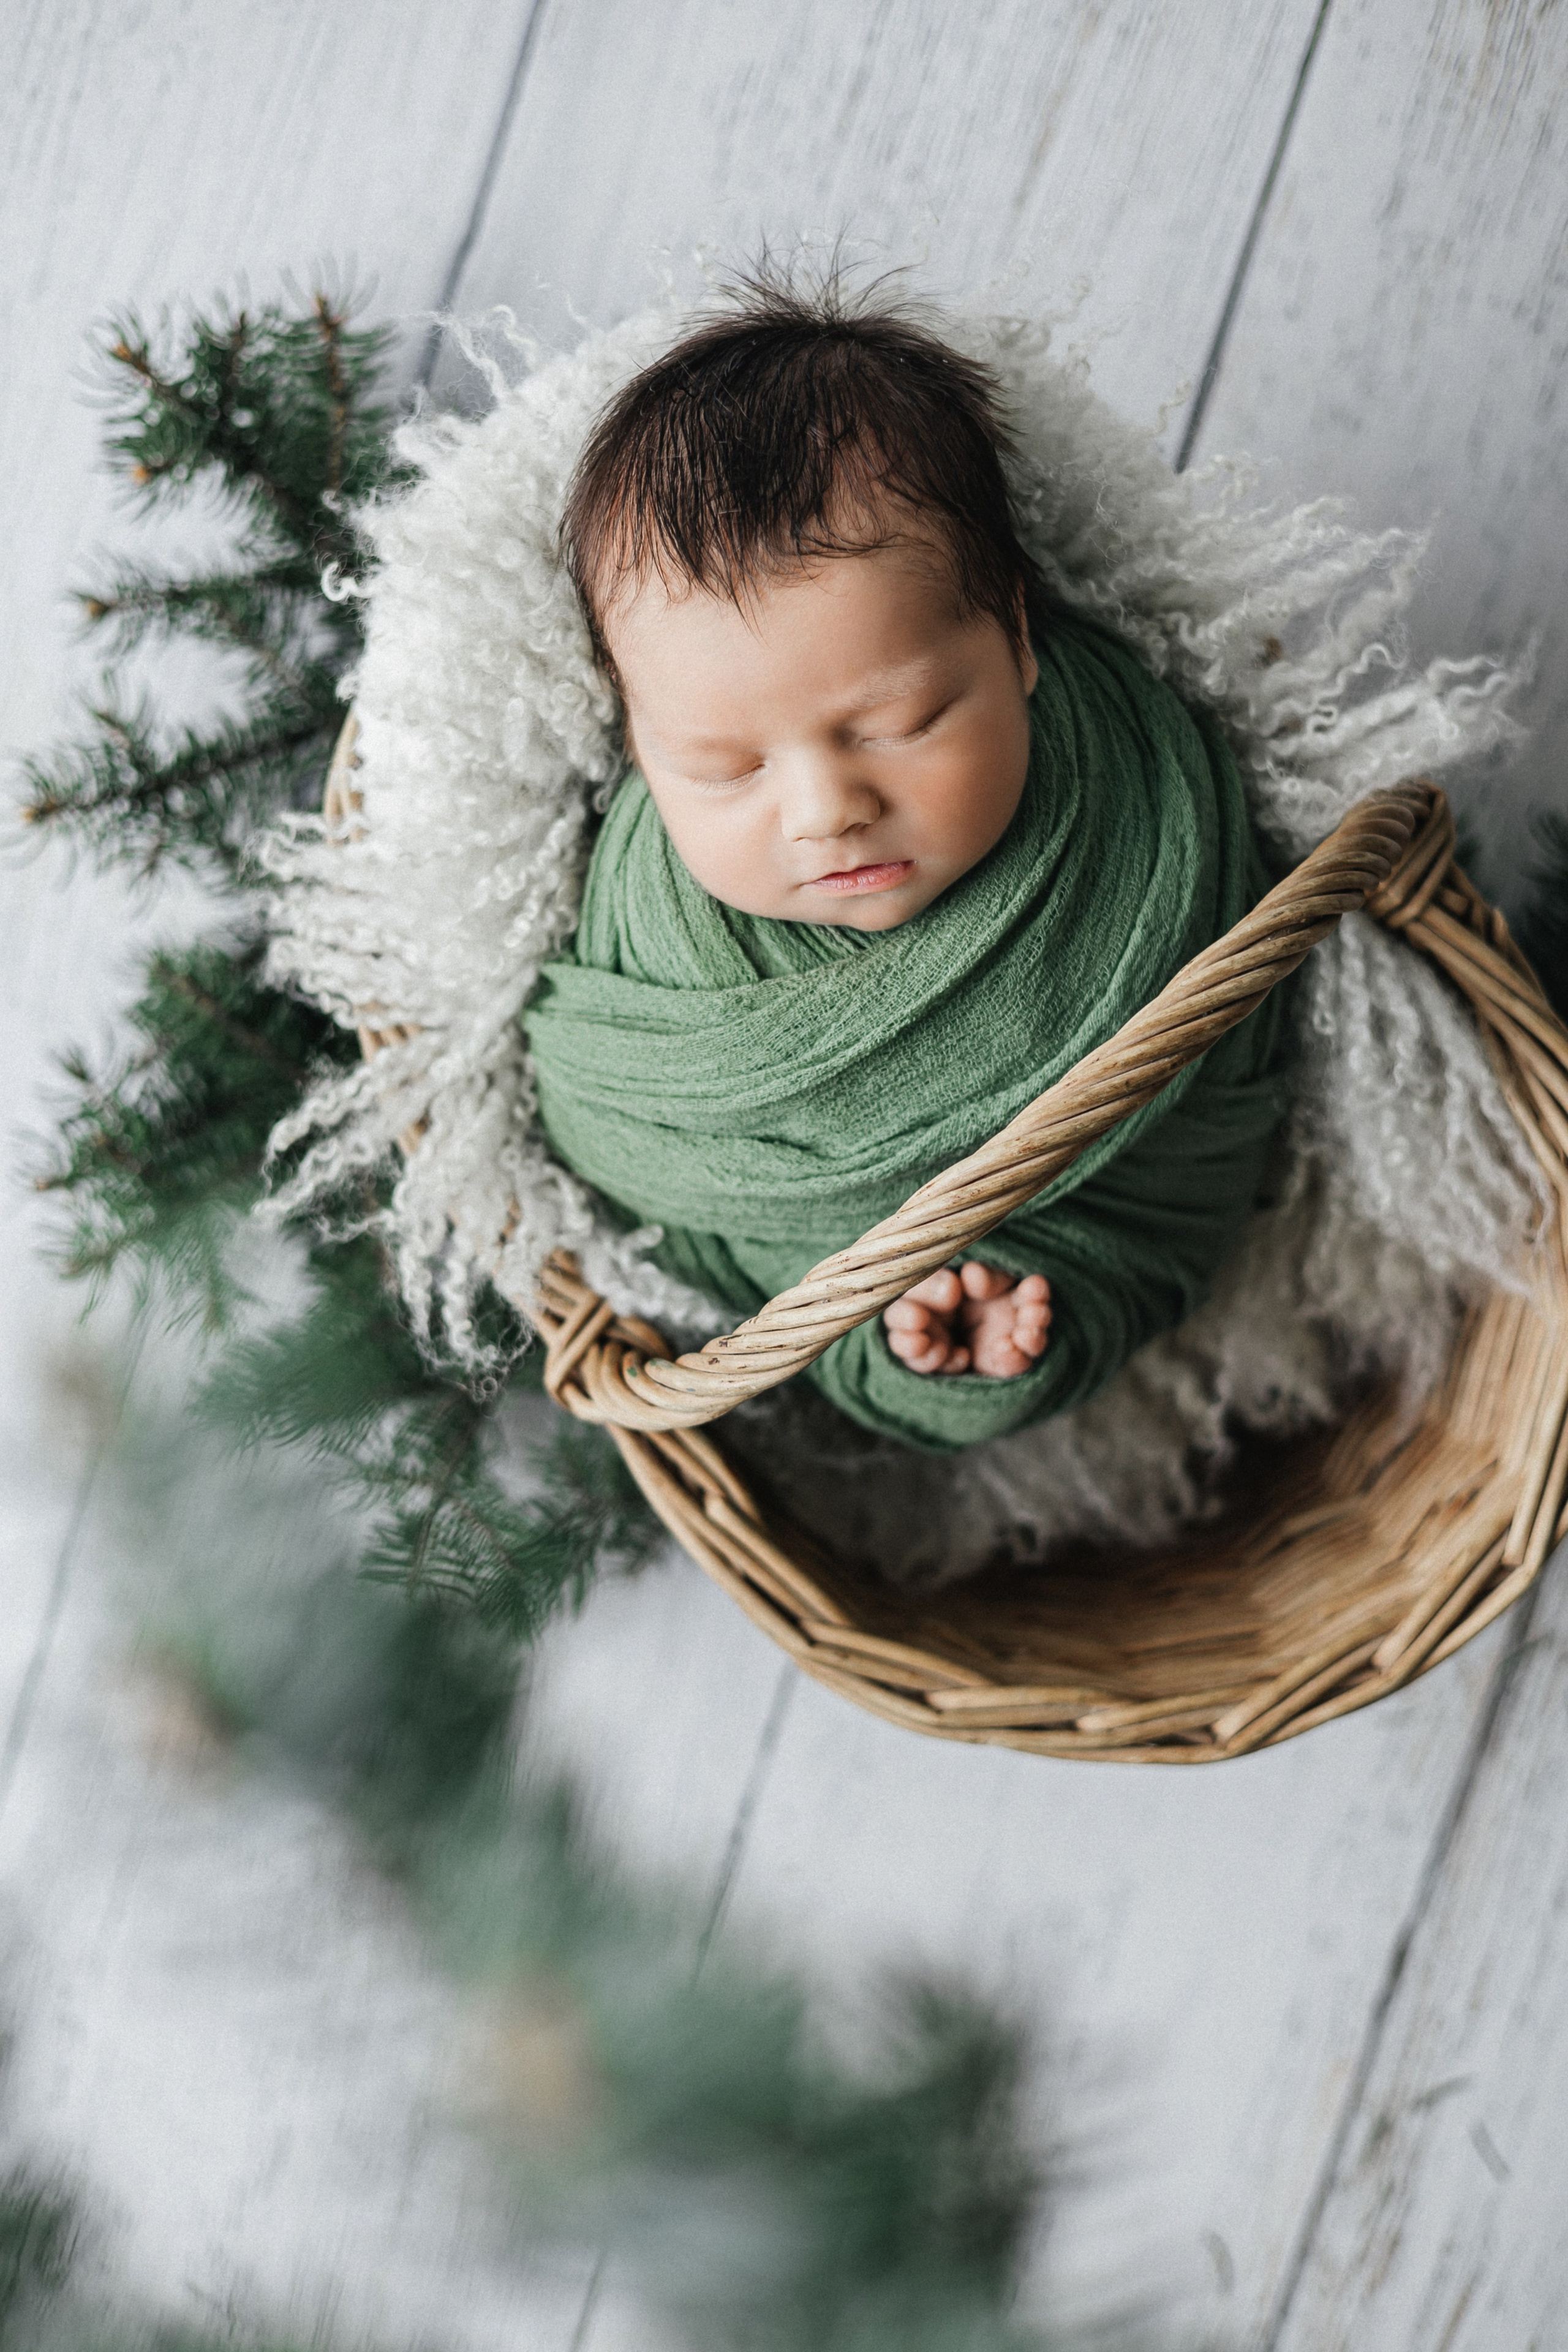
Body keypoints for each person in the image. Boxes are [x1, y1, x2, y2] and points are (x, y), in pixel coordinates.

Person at [522, 276, 1293, 1451]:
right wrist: (924, 1343)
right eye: (726, 769)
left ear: (1021, 639)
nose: (828, 810)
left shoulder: (1140, 803)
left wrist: (1045, 1285)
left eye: (899, 722)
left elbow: (1211, 1145)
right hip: (869, 1283)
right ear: (636, 749)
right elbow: (707, 1248)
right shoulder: (653, 940)